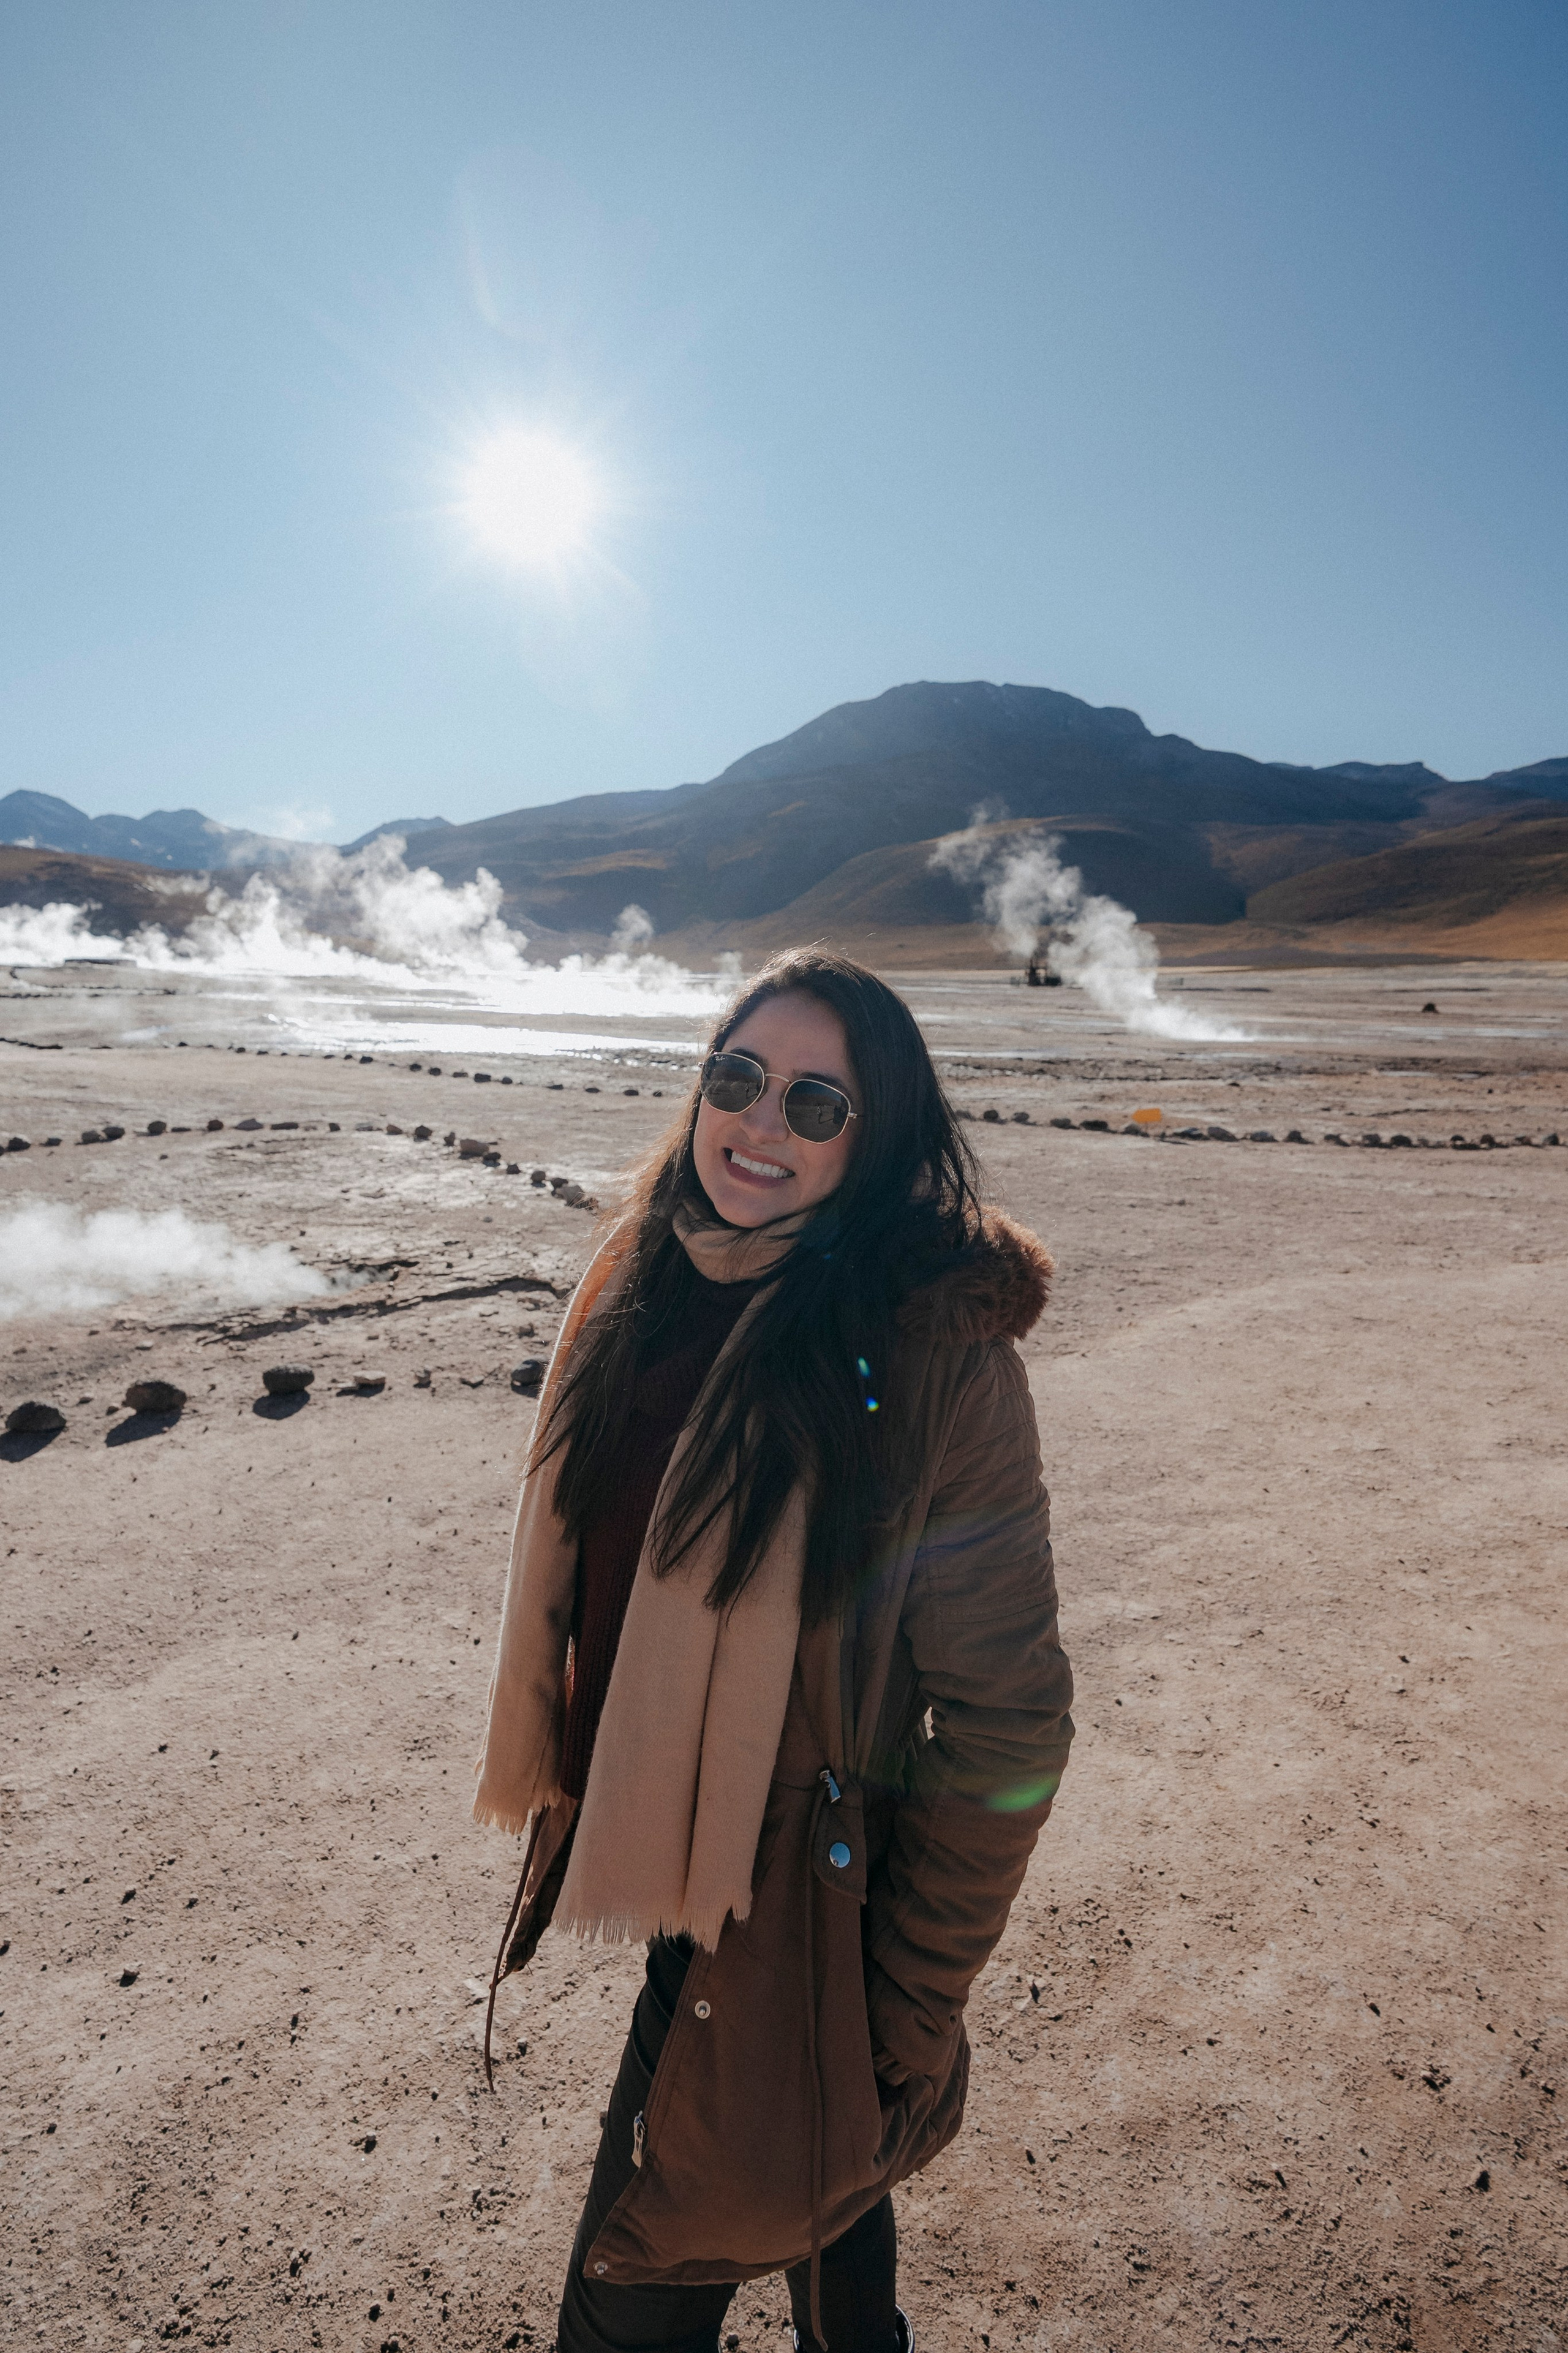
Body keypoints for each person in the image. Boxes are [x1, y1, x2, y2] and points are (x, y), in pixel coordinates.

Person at [474, 948, 1074, 2353]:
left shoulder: (933, 1358)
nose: (759, 1123)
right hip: (682, 1848)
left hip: (800, 1899)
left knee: (631, 2297)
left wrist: (901, 2016)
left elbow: (1008, 1721)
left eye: (815, 1103)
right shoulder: (643, 1281)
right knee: (815, 2163)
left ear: (876, 1141)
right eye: (736, 1077)